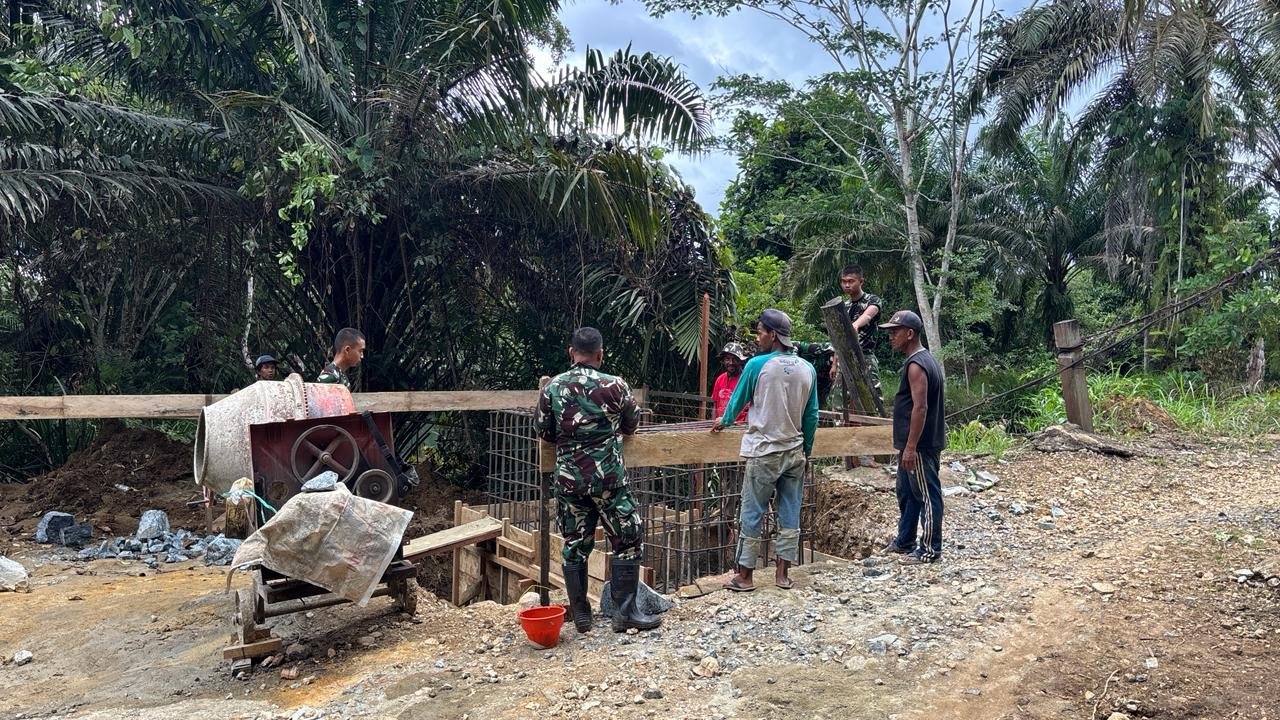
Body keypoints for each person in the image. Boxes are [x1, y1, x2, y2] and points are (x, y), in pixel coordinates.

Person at [535, 327, 659, 634]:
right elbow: (631, 425)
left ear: (571, 352)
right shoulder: (616, 385)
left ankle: (581, 614)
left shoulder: (552, 388)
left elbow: (544, 432)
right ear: (600, 354)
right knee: (627, 539)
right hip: (608, 481)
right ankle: (625, 613)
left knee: (575, 543)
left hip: (569, 482)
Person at [712, 309, 818, 592]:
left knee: (752, 511)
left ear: (773, 335)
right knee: (790, 510)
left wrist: (724, 421)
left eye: (760, 332)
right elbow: (812, 415)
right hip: (794, 450)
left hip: (764, 450)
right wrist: (806, 449)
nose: (758, 338)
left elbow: (738, 400)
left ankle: (745, 576)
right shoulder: (807, 369)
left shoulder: (757, 365)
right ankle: (782, 575)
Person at [878, 310, 946, 565]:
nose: (891, 336)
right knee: (907, 492)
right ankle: (905, 540)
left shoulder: (917, 365)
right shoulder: (922, 361)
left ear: (910, 333)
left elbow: (920, 407)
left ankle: (929, 549)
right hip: (914, 444)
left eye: (895, 332)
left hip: (920, 445)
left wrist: (911, 447)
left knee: (927, 495)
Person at [828, 265, 884, 407]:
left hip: (865, 356)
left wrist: (855, 325)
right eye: (844, 281)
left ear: (861, 282)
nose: (847, 285)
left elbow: (869, 314)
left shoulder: (872, 300)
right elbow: (838, 338)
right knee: (839, 402)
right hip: (845, 359)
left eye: (851, 281)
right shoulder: (843, 307)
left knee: (874, 400)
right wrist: (834, 364)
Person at [712, 342, 750, 423]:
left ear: (741, 361)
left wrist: (745, 427)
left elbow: (750, 408)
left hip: (739, 426)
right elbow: (715, 405)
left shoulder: (746, 380)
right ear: (723, 361)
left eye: (735, 359)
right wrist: (713, 423)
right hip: (720, 425)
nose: (731, 362)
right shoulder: (720, 379)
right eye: (727, 359)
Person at [793, 341, 835, 408]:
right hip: (808, 377)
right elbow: (793, 345)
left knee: (821, 400)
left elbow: (837, 349)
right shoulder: (800, 347)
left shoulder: (825, 347)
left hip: (824, 377)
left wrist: (834, 365)